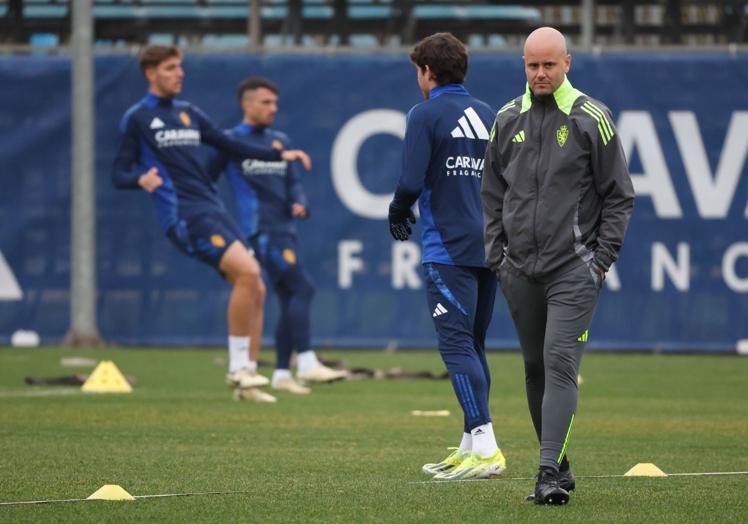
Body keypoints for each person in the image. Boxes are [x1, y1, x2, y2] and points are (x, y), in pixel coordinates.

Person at [481, 27, 635, 504]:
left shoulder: (592, 118)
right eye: (532, 65)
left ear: (567, 63)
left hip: (574, 269)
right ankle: (561, 464)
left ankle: (546, 474)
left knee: (559, 363)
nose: (541, 73)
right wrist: (497, 255)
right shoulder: (507, 118)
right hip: (519, 269)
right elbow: (491, 193)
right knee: (533, 368)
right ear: (523, 66)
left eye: (549, 64)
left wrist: (600, 260)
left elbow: (619, 197)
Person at [112, 45, 311, 403]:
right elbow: (119, 172)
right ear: (150, 73)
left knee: (257, 288)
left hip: (212, 209)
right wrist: (140, 178)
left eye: (180, 67)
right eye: (171, 68)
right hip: (183, 215)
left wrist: (280, 154)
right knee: (249, 273)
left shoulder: (189, 113)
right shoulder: (138, 118)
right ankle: (238, 369)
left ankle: (247, 382)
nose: (179, 73)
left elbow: (230, 144)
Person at [388, 33, 506, 480]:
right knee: (473, 346)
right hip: (490, 245)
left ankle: (487, 446)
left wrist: (397, 213)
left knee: (456, 345)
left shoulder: (425, 113)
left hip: (448, 250)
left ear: (426, 72)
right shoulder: (489, 114)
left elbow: (410, 182)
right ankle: (469, 446)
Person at [208, 77, 347, 394]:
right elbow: (205, 181)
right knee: (303, 289)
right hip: (258, 232)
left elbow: (294, 183)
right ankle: (308, 361)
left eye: (275, 102)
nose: (273, 108)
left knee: (288, 297)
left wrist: (301, 203)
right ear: (246, 104)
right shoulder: (230, 142)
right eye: (265, 102)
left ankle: (282, 373)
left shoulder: (280, 141)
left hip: (285, 230)